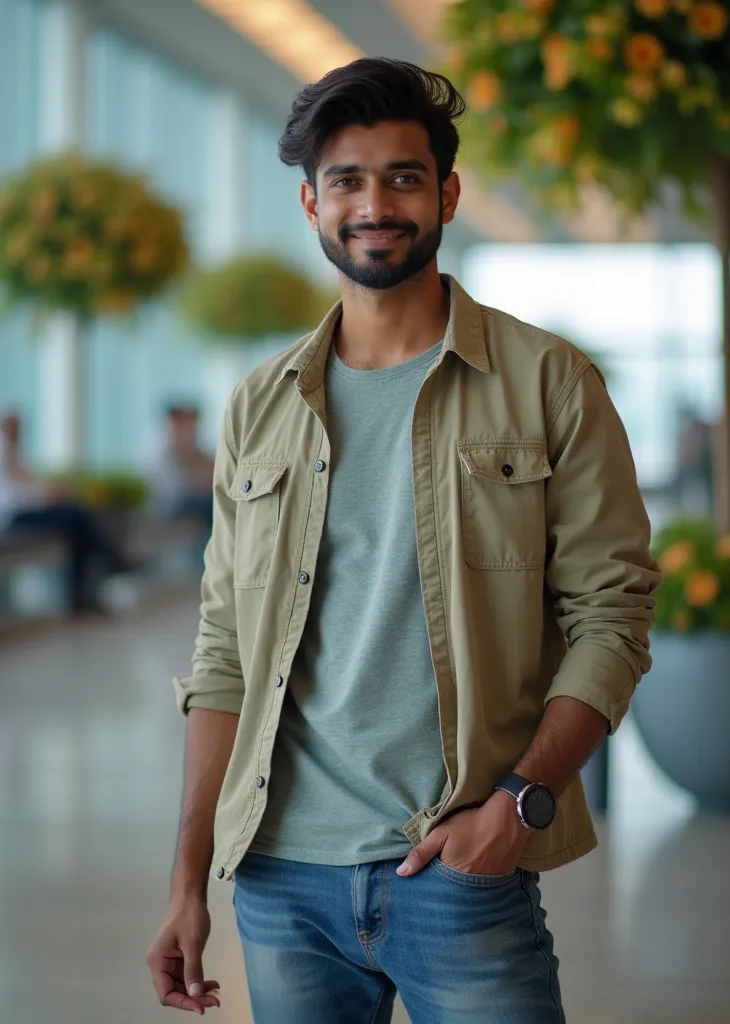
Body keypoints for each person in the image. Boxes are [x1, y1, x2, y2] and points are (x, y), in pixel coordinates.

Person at [147, 59, 662, 1023]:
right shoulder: (260, 406)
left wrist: (519, 803)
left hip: (459, 871)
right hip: (279, 882)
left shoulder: (549, 382)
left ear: (448, 194)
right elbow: (223, 657)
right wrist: (186, 883)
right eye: (347, 179)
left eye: (403, 176)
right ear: (311, 203)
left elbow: (613, 616)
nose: (374, 202)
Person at [0, 412, 142, 614]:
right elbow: (17, 493)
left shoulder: (16, 453)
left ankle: (82, 595)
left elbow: (28, 485)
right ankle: (112, 560)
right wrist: (47, 494)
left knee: (76, 532)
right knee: (77, 517)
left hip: (27, 511)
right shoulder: (4, 449)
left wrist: (50, 493)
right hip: (15, 517)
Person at [148, 405, 214, 532]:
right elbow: (185, 482)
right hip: (170, 503)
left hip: (180, 499)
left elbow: (210, 466)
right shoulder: (168, 443)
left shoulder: (180, 442)